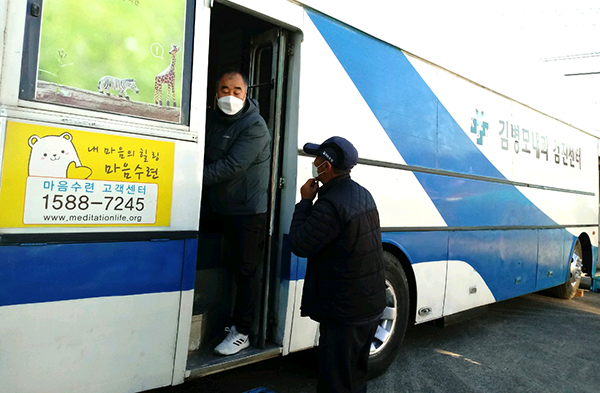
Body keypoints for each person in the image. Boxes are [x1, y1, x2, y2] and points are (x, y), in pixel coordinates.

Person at [289, 136, 387, 393]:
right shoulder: (362, 194)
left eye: (317, 159)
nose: (314, 162)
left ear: (327, 167)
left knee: (335, 382)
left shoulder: (330, 205)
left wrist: (304, 202)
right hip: (368, 306)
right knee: (354, 377)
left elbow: (300, 244)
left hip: (345, 313)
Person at [201, 70, 271, 356]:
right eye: (224, 89)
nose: (230, 96)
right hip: (220, 206)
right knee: (224, 265)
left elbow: (232, 166)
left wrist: (186, 174)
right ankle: (225, 320)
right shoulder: (212, 120)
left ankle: (242, 330)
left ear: (247, 93)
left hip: (246, 212)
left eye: (237, 90)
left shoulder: (254, 125)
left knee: (245, 271)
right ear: (216, 93)